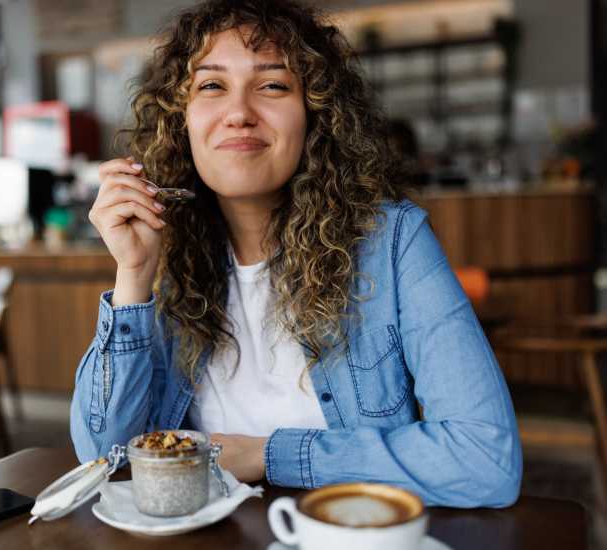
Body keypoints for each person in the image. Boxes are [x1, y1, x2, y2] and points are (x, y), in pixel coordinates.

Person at [70, 0, 522, 508]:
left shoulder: (392, 243)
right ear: (182, 122)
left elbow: (486, 460)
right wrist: (133, 275)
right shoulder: (171, 256)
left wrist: (271, 455)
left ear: (316, 113)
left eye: (272, 85)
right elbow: (104, 459)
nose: (239, 113)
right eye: (212, 86)